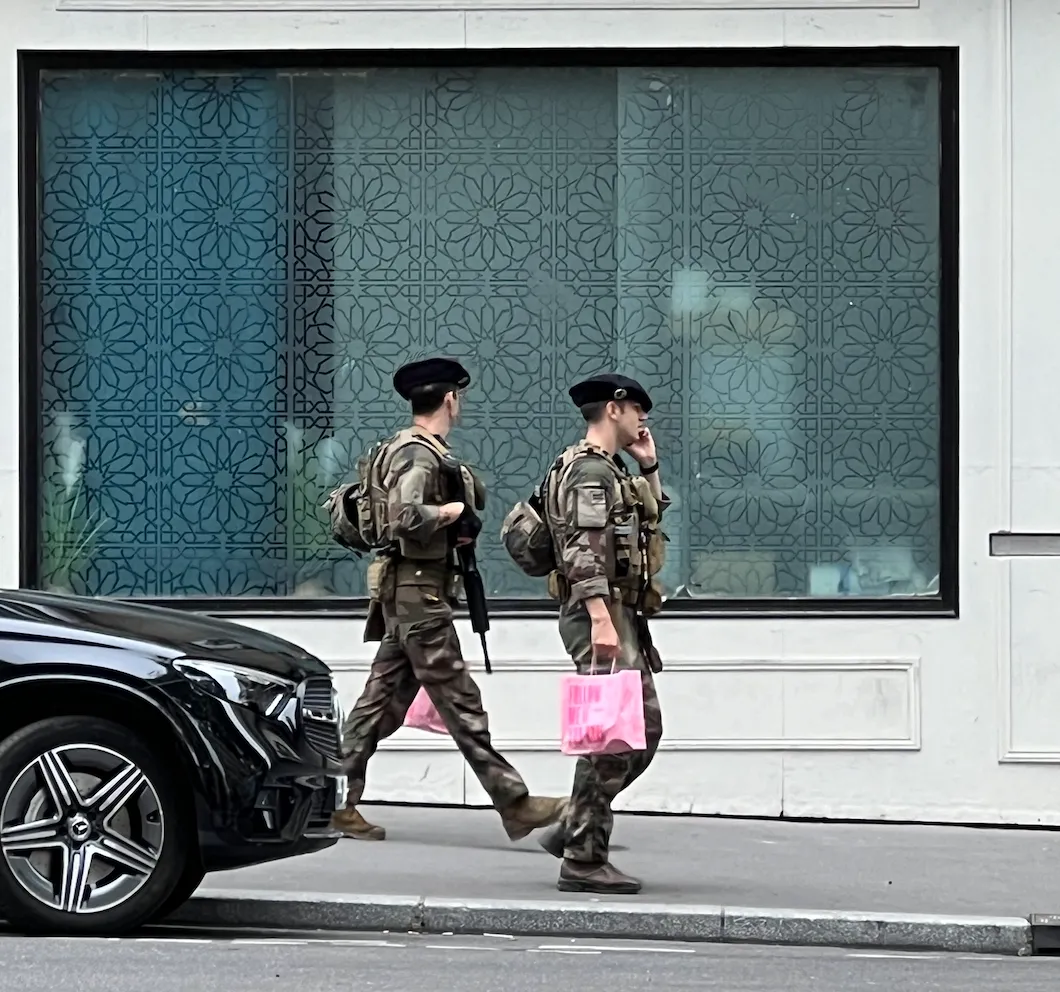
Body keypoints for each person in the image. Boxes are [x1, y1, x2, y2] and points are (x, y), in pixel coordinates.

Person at [328, 356, 567, 843]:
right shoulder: (417, 454)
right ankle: (515, 803)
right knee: (460, 702)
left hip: (412, 591)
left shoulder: (402, 448)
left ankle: (331, 799)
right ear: (450, 399)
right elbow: (406, 517)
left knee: (379, 706)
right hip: (419, 595)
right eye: (461, 396)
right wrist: (453, 510)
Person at [535, 374, 668, 894]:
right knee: (614, 738)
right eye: (637, 409)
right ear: (614, 408)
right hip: (599, 612)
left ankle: (573, 823)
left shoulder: (612, 469)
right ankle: (585, 858)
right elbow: (580, 551)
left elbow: (649, 524)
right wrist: (599, 618)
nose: (643, 419)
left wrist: (648, 466)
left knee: (641, 730)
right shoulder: (588, 471)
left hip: (619, 612)